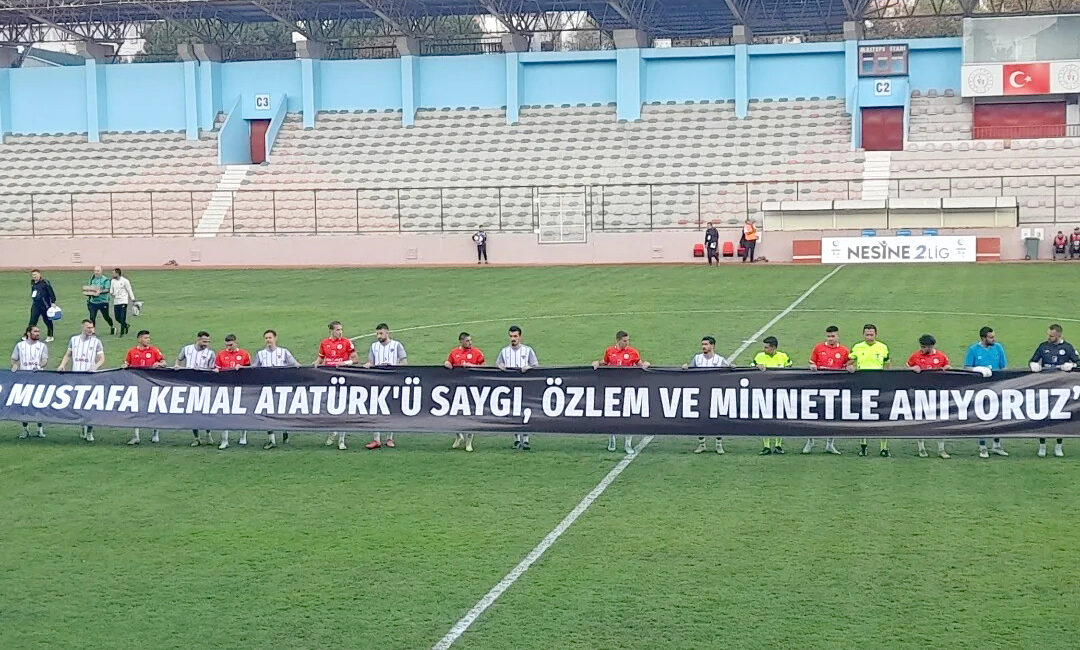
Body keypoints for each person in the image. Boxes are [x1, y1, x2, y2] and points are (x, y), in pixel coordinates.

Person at [593, 330, 650, 454]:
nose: (627, 343)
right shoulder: (610, 351)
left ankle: (628, 444)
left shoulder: (633, 352)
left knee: (628, 416)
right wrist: (597, 363)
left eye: (628, 340)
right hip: (612, 388)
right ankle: (611, 439)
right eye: (625, 341)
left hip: (628, 388)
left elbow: (640, 364)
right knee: (611, 415)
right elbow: (605, 363)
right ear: (618, 341)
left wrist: (646, 364)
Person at [1029, 323, 1079, 458]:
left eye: (1051, 335)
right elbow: (1033, 360)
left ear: (1059, 335)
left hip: (1062, 388)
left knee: (1060, 416)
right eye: (1048, 335)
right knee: (1043, 415)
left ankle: (1058, 445)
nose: (1049, 337)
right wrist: (1033, 365)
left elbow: (1078, 363)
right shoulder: (1043, 346)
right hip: (1045, 386)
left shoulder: (1067, 348)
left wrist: (1071, 365)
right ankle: (1042, 445)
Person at [964, 326, 1009, 458]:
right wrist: (977, 369)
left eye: (994, 336)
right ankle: (982, 446)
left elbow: (1004, 366)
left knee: (998, 415)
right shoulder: (973, 349)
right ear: (983, 338)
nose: (993, 339)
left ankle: (997, 445)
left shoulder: (998, 347)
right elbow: (967, 367)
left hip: (996, 387)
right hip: (980, 388)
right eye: (991, 337)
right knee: (982, 416)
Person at [57, 319, 105, 442]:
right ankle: (82, 427)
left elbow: (101, 358)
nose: (91, 330)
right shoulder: (74, 340)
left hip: (90, 377)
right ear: (83, 327)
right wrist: (62, 364)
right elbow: (68, 354)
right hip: (75, 376)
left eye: (92, 328)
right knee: (78, 404)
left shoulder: (96, 342)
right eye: (88, 328)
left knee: (89, 405)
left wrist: (95, 367)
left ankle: (89, 431)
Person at [253, 329, 300, 449]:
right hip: (267, 389)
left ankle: (285, 431)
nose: (268, 340)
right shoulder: (260, 354)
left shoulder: (284, 352)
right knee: (268, 412)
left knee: (282, 410)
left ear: (275, 338)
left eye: (270, 338)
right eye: (266, 338)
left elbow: (295, 365)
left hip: (281, 388)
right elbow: (253, 369)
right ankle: (271, 440)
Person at [848, 324, 891, 457]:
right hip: (862, 385)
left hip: (879, 385)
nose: (869, 337)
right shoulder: (857, 347)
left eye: (871, 334)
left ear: (876, 334)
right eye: (867, 334)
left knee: (882, 416)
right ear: (863, 335)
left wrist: (888, 381)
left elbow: (888, 365)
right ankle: (863, 446)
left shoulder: (883, 347)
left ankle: (883, 448)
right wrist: (850, 367)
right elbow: (849, 363)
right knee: (863, 415)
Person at [315, 320, 358, 450]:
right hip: (328, 379)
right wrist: (315, 365)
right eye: (338, 330)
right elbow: (320, 360)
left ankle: (341, 439)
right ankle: (332, 432)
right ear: (331, 331)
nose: (340, 332)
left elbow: (355, 359)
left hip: (343, 378)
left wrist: (345, 363)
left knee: (342, 408)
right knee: (330, 407)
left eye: (341, 329)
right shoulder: (324, 343)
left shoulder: (346, 342)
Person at [804, 325, 847, 455]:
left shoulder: (844, 351)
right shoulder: (818, 348)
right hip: (818, 386)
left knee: (832, 416)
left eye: (833, 336)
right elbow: (812, 363)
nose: (831, 339)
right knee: (813, 414)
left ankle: (830, 444)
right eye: (828, 336)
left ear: (838, 336)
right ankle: (810, 441)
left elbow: (847, 367)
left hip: (835, 389)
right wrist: (812, 366)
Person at [907, 334, 952, 459]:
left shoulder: (941, 356)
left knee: (940, 420)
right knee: (920, 420)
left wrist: (947, 368)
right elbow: (906, 369)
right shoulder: (915, 356)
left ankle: (941, 449)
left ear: (931, 346)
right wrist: (912, 369)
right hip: (921, 393)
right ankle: (921, 448)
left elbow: (948, 368)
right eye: (921, 346)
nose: (922, 349)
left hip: (937, 393)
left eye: (924, 347)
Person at [364, 323, 408, 450]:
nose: (379, 336)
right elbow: (371, 362)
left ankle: (390, 438)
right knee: (376, 408)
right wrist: (368, 365)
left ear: (387, 333)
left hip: (393, 381)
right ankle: (376, 439)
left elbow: (404, 362)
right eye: (377, 334)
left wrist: (393, 367)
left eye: (381, 333)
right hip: (377, 381)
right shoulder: (374, 346)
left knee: (390, 408)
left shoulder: (396, 345)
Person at [683, 335, 729, 454]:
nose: (704, 347)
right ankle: (702, 444)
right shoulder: (697, 358)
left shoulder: (720, 360)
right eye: (702, 344)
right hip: (701, 393)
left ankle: (719, 444)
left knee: (717, 418)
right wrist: (685, 367)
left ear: (712, 346)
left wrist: (733, 367)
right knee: (700, 418)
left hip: (716, 394)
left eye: (706, 344)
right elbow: (690, 370)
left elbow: (729, 371)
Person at [498, 325, 539, 450]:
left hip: (525, 386)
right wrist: (500, 366)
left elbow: (536, 365)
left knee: (525, 412)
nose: (513, 339)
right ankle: (516, 439)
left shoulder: (528, 351)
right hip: (510, 386)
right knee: (513, 412)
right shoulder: (504, 351)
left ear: (520, 337)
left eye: (515, 336)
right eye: (511, 336)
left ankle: (526, 439)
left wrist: (529, 368)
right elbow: (498, 363)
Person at [123, 330, 166, 445]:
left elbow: (164, 363)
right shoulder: (132, 351)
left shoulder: (154, 350)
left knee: (153, 408)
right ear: (139, 339)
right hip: (136, 384)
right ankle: (136, 435)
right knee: (136, 409)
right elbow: (126, 363)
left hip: (151, 384)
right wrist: (125, 366)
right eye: (145, 338)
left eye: (148, 338)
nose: (148, 340)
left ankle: (155, 433)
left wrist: (159, 364)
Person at [445, 332, 485, 452]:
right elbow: (449, 363)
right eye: (467, 341)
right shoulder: (454, 353)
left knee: (470, 415)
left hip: (472, 388)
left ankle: (469, 442)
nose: (470, 343)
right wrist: (447, 364)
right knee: (453, 413)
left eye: (470, 340)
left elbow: (485, 366)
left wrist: (472, 366)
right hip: (457, 388)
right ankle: (458, 436)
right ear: (461, 342)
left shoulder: (476, 352)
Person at [753, 336, 793, 455]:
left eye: (766, 347)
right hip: (764, 392)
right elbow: (750, 371)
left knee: (779, 418)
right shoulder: (759, 356)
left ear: (774, 348)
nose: (764, 349)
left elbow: (791, 371)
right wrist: (756, 367)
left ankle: (778, 445)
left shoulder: (783, 356)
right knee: (765, 418)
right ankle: (766, 446)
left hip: (780, 392)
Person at [177, 331, 217, 446]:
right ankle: (196, 438)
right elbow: (179, 359)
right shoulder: (187, 349)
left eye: (208, 342)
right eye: (204, 341)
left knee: (205, 411)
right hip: (189, 385)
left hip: (204, 386)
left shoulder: (211, 353)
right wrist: (178, 367)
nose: (206, 344)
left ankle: (208, 433)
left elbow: (212, 368)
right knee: (192, 411)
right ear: (198, 339)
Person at [215, 334, 251, 450]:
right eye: (227, 345)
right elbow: (217, 368)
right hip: (225, 388)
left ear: (236, 342)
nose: (229, 347)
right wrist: (216, 370)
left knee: (241, 412)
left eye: (231, 345)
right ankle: (224, 440)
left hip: (240, 387)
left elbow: (251, 370)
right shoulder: (221, 354)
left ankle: (243, 436)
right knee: (223, 413)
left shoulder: (244, 354)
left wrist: (242, 368)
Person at [11, 326, 47, 439]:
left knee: (39, 404)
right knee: (24, 405)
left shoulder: (42, 346)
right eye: (35, 331)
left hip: (38, 379)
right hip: (24, 379)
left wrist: (40, 365)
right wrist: (15, 365)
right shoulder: (20, 346)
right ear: (28, 333)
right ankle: (25, 429)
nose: (38, 333)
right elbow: (14, 359)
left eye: (38, 332)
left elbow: (45, 360)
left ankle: (40, 429)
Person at [28, 269, 57, 343]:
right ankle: (29, 335)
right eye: (33, 275)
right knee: (32, 320)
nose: (34, 276)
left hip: (45, 305)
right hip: (36, 305)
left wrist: (53, 302)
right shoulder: (32, 282)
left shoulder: (45, 282)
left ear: (39, 274)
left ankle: (50, 336)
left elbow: (51, 292)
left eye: (35, 274)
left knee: (47, 321)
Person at [84, 265, 115, 335]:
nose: (96, 272)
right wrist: (88, 293)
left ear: (101, 271)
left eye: (98, 271)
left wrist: (100, 292)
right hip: (93, 302)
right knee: (92, 317)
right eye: (95, 271)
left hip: (103, 302)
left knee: (106, 316)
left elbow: (107, 289)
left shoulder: (105, 279)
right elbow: (90, 287)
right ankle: (92, 331)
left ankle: (112, 326)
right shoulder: (92, 278)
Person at [111, 268, 135, 336]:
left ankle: (122, 332)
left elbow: (129, 290)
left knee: (122, 317)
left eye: (113, 273)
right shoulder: (113, 281)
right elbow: (111, 290)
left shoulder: (125, 281)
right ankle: (126, 325)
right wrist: (112, 293)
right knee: (117, 318)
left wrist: (132, 298)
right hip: (116, 301)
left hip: (123, 301)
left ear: (117, 273)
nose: (112, 274)